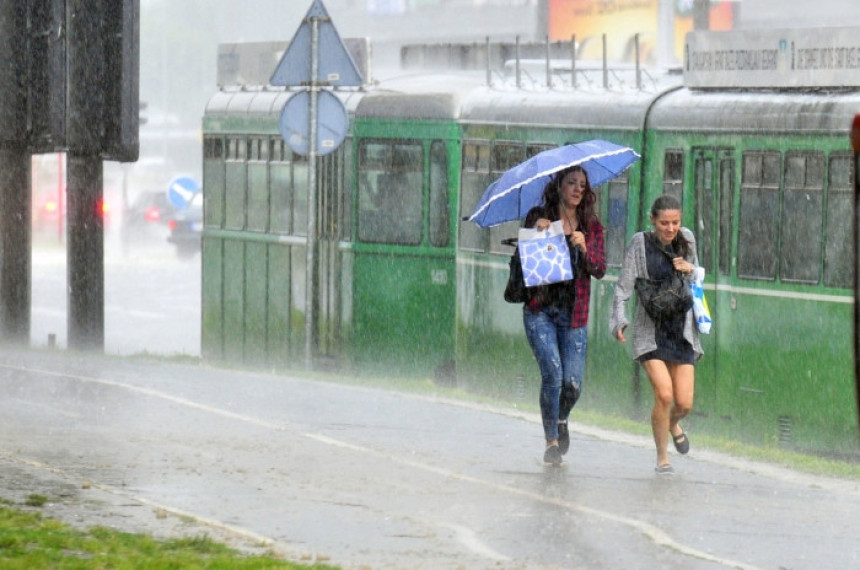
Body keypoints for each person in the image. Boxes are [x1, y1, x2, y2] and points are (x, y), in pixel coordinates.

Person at [609, 194, 703, 475]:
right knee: (664, 395)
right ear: (652, 220)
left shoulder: (686, 239)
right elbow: (623, 287)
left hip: (682, 332)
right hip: (651, 332)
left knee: (684, 403)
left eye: (675, 222)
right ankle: (662, 457)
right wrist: (619, 320)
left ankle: (673, 423)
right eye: (664, 223)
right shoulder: (640, 244)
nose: (670, 228)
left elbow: (698, 277)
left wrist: (692, 269)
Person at [522, 165, 606, 465]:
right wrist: (536, 234)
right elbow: (526, 262)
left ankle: (561, 418)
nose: (577, 189)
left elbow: (599, 269)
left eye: (582, 184)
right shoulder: (538, 217)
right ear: (558, 185)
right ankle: (551, 442)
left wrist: (584, 249)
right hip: (540, 309)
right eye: (571, 183)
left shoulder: (591, 226)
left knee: (573, 383)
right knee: (553, 374)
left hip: (574, 314)